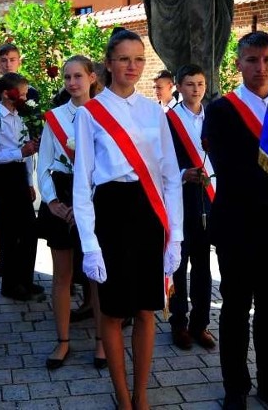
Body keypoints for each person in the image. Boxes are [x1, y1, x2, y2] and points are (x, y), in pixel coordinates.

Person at [72, 28, 183, 410]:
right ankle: (121, 396)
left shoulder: (156, 112)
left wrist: (176, 236)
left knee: (146, 308)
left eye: (138, 59)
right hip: (112, 212)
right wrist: (90, 245)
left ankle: (141, 393)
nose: (132, 66)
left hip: (149, 212)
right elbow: (82, 184)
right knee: (115, 311)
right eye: (123, 58)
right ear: (109, 62)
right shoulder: (90, 114)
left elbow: (169, 176)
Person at [202, 32, 268, 410]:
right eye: (253, 59)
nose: (261, 68)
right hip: (238, 227)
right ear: (238, 63)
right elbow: (231, 169)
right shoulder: (221, 110)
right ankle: (235, 387)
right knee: (235, 310)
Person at [36, 56, 106, 370]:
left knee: (96, 274)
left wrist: (86, 205)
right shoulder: (54, 118)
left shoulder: (105, 114)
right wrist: (52, 202)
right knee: (62, 275)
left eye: (78, 76)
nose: (72, 83)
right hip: (61, 199)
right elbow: (44, 164)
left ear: (92, 77)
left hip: (94, 200)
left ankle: (102, 342)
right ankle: (63, 341)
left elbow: (107, 164)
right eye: (67, 77)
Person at [0, 72, 44, 302]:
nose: (26, 99)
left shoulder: (20, 116)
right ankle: (10, 283)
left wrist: (29, 181)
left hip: (18, 175)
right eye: (22, 94)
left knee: (28, 231)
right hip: (2, 178)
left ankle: (25, 278)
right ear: (8, 94)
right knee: (9, 232)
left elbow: (26, 152)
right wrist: (20, 152)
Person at [166, 64, 216, 351]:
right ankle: (179, 323)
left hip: (209, 197)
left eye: (199, 84)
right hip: (180, 197)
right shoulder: (169, 120)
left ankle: (201, 324)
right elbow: (161, 161)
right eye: (189, 84)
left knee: (203, 265)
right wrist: (183, 173)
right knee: (179, 262)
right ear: (178, 86)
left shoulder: (215, 116)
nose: (195, 89)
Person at [0, 43, 39, 127]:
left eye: (12, 60)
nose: (8, 65)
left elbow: (35, 123)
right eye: (4, 60)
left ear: (19, 62)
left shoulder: (31, 92)